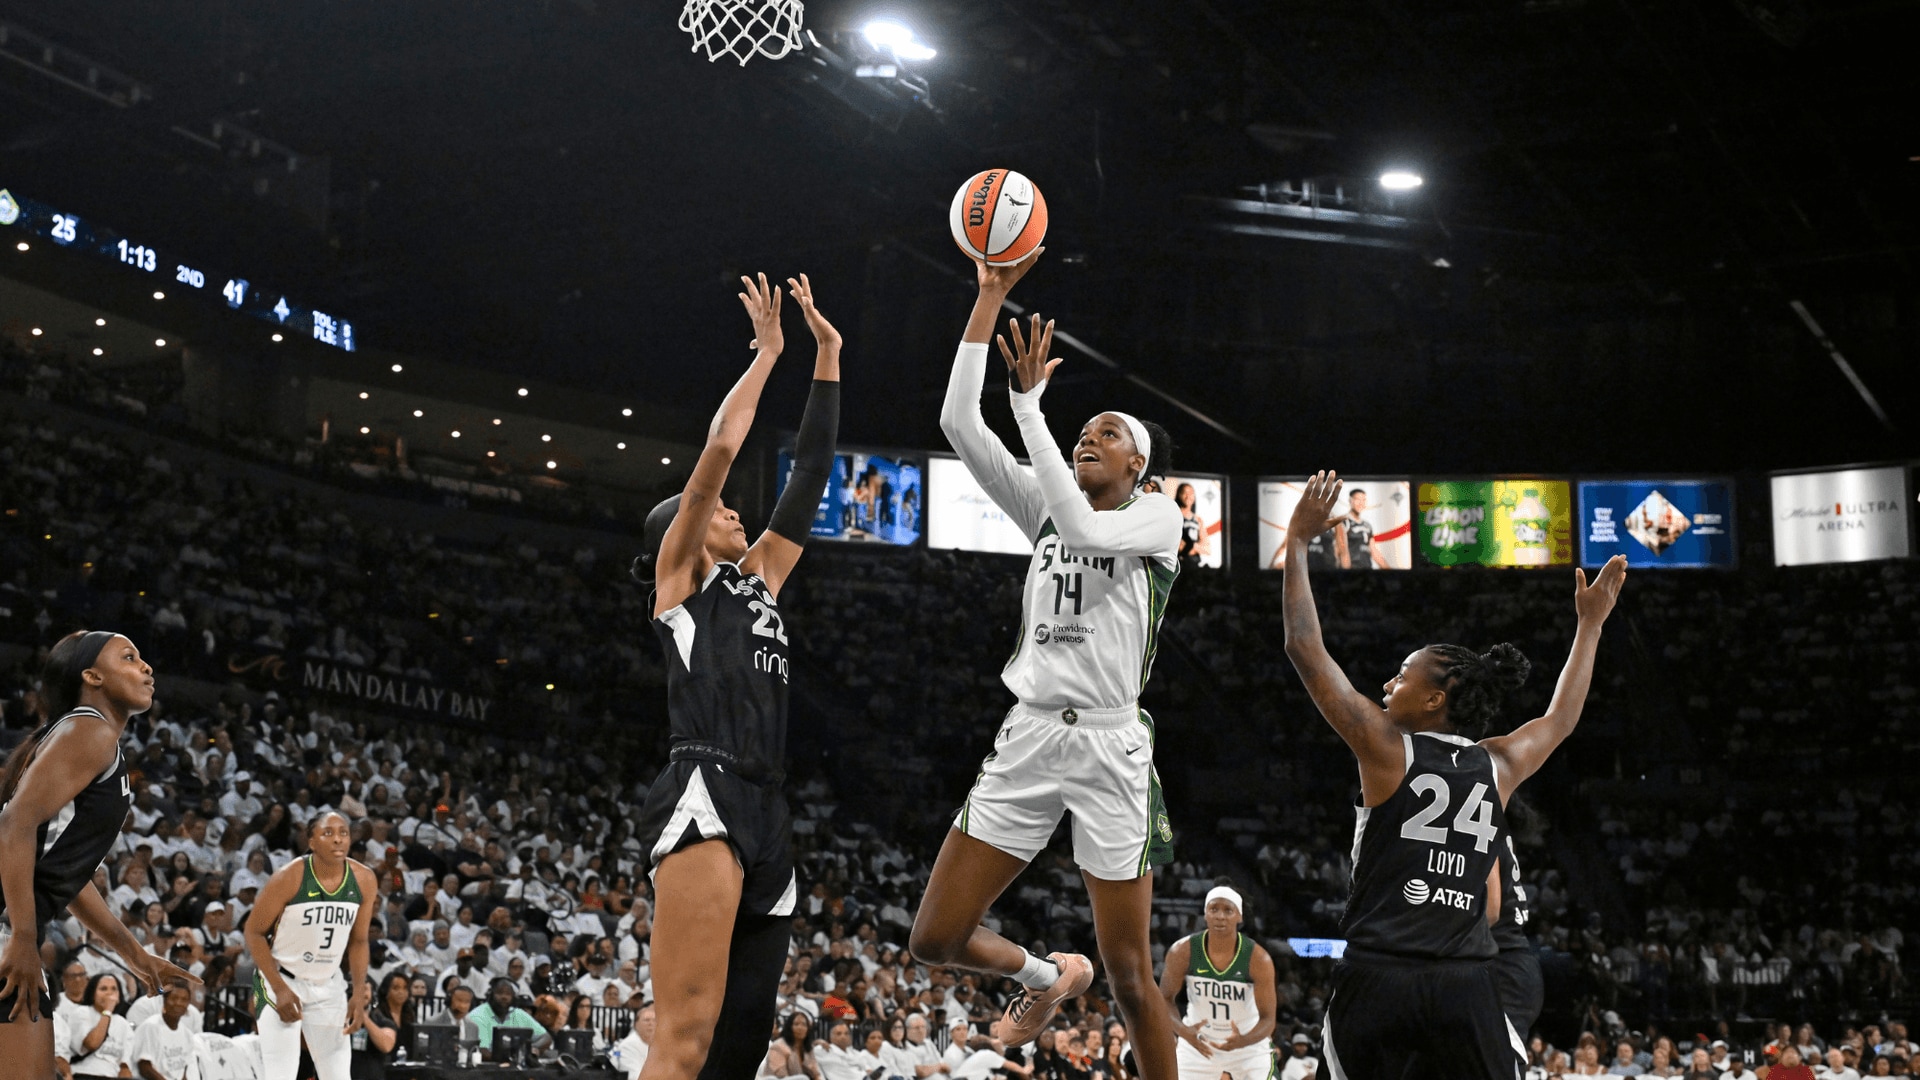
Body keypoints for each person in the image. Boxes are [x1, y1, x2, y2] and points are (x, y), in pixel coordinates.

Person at [916, 250, 1181, 1070]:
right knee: (934, 939)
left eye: (1108, 433)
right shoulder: (1044, 503)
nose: (1088, 437)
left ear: (1138, 466)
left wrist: (1030, 410)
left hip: (1109, 745)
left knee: (1132, 974)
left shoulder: (1157, 519)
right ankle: (1046, 976)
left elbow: (1089, 530)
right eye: (1084, 430)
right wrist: (988, 297)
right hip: (1031, 733)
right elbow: (958, 422)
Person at [1280, 471, 1628, 1080]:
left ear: (1434, 699)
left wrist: (1298, 543)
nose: (1389, 683)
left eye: (1402, 675)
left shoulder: (1386, 750)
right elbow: (1561, 718)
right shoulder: (1499, 764)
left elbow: (1304, 647)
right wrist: (1590, 626)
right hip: (1464, 987)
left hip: (1381, 976)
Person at [629, 272, 841, 1080]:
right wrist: (767, 354)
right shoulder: (680, 580)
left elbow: (810, 475)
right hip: (705, 787)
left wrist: (827, 357)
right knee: (684, 1039)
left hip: (767, 803)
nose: (732, 512)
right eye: (718, 512)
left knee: (743, 1043)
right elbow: (719, 453)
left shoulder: (758, 581)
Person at [1, 632, 199, 1078]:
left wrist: (135, 954)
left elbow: (65, 875)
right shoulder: (90, 730)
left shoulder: (82, 736)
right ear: (92, 677)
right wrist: (24, 938)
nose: (146, 667)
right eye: (129, 657)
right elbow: (13, 826)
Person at [244, 810, 378, 1080]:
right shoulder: (289, 877)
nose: (338, 839)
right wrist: (280, 989)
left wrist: (358, 992)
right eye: (328, 833)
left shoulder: (364, 879)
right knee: (280, 1074)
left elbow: (360, 940)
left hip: (329, 984)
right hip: (281, 980)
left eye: (343, 833)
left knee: (338, 1075)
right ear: (312, 841)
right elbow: (253, 933)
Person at [1157, 885, 1276, 1080]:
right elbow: (1164, 998)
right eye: (1214, 909)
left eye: (1228, 910)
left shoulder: (1258, 958)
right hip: (1198, 1044)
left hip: (1247, 1046)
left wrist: (1243, 1041)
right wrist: (1184, 1032)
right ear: (1205, 914)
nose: (1220, 916)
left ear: (1240, 916)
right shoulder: (1182, 951)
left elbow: (1268, 1019)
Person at [129, 983, 198, 1080]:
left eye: (184, 1000)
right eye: (174, 998)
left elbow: (183, 1070)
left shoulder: (187, 1034)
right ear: (165, 1001)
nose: (178, 1003)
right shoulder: (150, 1027)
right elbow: (145, 1068)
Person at [472, 977, 548, 1062]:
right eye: (499, 993)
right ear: (490, 995)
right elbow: (481, 1051)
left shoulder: (518, 1014)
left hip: (516, 1066)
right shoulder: (478, 1015)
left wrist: (532, 1048)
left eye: (508, 994)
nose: (504, 997)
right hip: (487, 1067)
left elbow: (546, 1037)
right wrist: (511, 1059)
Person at [352, 973, 408, 1080]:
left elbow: (386, 1045)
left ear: (372, 993)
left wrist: (363, 1018)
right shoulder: (336, 1020)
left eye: (365, 989)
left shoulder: (382, 1021)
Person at [765, 1011, 823, 1079]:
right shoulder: (778, 1047)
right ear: (789, 1027)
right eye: (796, 1024)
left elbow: (816, 1073)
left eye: (804, 1024)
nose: (800, 1028)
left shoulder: (808, 1048)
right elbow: (781, 1075)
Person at [1174, 483, 1210, 571]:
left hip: (1193, 565)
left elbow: (1207, 548)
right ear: (1179, 495)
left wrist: (1193, 547)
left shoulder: (1198, 520)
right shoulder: (1174, 517)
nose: (1188, 496)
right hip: (1177, 564)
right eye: (1184, 493)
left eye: (1191, 493)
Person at [614, 1005, 656, 1080]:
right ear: (636, 1024)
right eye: (646, 1020)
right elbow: (634, 1077)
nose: (651, 1023)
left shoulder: (660, 1044)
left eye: (654, 1020)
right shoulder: (627, 1046)